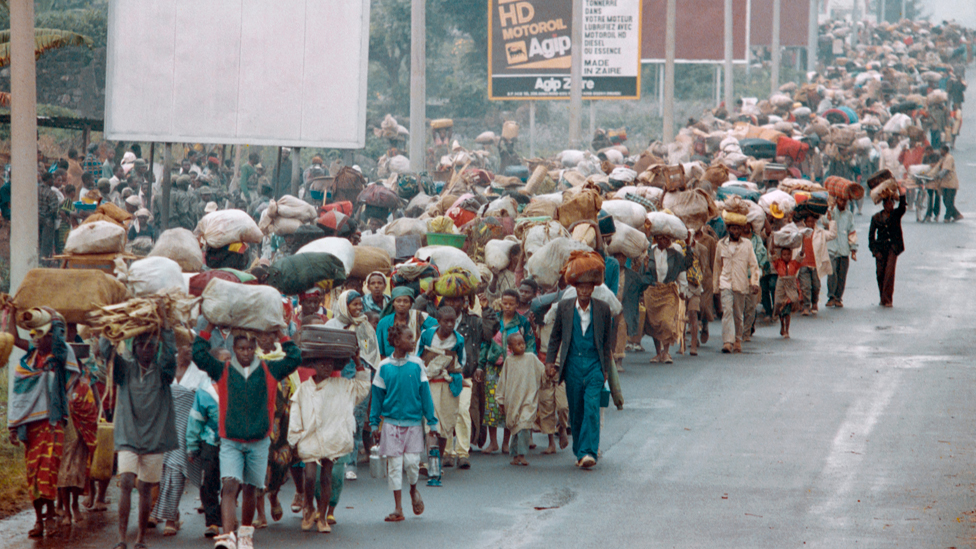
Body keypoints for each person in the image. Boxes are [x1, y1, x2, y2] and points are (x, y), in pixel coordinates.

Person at [192, 326, 301, 549]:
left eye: (250, 348)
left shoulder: (269, 369)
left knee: (251, 488)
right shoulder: (222, 369)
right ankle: (227, 536)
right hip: (231, 441)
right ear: (233, 348)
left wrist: (282, 334)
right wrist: (208, 327)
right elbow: (199, 356)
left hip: (259, 441)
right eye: (241, 348)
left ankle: (244, 534)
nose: (246, 352)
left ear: (256, 349)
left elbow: (295, 358)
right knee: (229, 485)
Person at [101, 328, 179, 549]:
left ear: (157, 349)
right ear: (133, 348)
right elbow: (107, 352)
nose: (146, 349)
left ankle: (141, 538)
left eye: (152, 345)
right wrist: (110, 327)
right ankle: (121, 538)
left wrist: (165, 327)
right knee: (125, 481)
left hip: (155, 438)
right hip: (128, 435)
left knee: (145, 488)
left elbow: (170, 351)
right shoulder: (124, 370)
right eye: (141, 345)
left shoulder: (164, 373)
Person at [7, 307, 79, 538]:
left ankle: (50, 515)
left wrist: (51, 316)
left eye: (41, 334)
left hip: (53, 423)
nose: (36, 339)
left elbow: (59, 337)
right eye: (34, 335)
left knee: (48, 471)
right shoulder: (28, 359)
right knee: (33, 474)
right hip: (30, 426)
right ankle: (39, 519)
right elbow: (13, 338)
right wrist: (11, 311)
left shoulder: (59, 354)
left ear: (51, 334)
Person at [288, 351, 370, 533]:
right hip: (309, 438)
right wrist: (295, 438)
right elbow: (295, 413)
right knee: (309, 477)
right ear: (314, 365)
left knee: (327, 477)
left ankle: (323, 516)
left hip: (332, 438)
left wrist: (357, 361)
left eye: (330, 364)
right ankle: (309, 507)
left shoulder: (342, 385)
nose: (326, 367)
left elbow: (363, 387)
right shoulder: (304, 388)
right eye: (322, 363)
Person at [545, 251, 613, 469]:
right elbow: (555, 337)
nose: (584, 291)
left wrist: (605, 370)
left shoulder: (602, 309)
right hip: (572, 364)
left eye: (588, 287)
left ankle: (588, 452)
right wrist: (549, 362)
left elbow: (606, 342)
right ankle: (579, 451)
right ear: (575, 287)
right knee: (576, 410)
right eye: (580, 287)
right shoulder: (564, 308)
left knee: (592, 406)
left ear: (593, 288)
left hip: (594, 365)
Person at [370, 323, 439, 523]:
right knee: (394, 466)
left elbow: (425, 395)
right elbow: (377, 398)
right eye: (409, 338)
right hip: (391, 424)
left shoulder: (417, 365)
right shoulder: (383, 367)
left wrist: (432, 423)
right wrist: (374, 424)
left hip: (413, 424)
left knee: (411, 464)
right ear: (397, 342)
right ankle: (398, 507)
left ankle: (413, 490)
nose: (413, 341)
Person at [151, 346, 207, 537]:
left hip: (187, 428)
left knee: (176, 471)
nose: (190, 350)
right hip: (164, 425)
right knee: (163, 471)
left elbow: (202, 404)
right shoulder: (166, 366)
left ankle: (168, 519)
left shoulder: (200, 373)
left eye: (193, 345)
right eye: (186, 345)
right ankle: (171, 514)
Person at [325, 290, 381, 480]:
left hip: (360, 376)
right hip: (337, 376)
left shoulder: (365, 326)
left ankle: (351, 464)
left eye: (360, 304)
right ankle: (334, 460)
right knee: (337, 418)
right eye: (354, 304)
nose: (358, 308)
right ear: (344, 305)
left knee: (356, 420)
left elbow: (372, 354)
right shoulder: (331, 326)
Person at [440, 292, 492, 470]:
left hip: (465, 375)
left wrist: (486, 309)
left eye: (457, 299)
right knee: (446, 413)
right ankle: (446, 452)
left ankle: (462, 453)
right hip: (442, 375)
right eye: (449, 298)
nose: (453, 303)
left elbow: (489, 334)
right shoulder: (437, 320)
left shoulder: (473, 321)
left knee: (463, 411)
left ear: (464, 302)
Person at [480, 289, 535, 454]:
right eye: (505, 303)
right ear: (501, 302)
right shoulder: (494, 319)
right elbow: (485, 343)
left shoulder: (523, 323)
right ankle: (493, 442)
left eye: (512, 304)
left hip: (513, 368)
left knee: (509, 403)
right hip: (493, 367)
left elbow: (530, 344)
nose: (508, 306)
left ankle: (506, 442)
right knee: (491, 403)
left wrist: (529, 364)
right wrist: (480, 365)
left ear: (517, 304)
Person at [415, 306, 465, 477]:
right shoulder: (427, 335)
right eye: (446, 321)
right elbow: (417, 356)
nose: (450, 325)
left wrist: (450, 369)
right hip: (430, 384)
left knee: (446, 424)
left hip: (448, 385)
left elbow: (461, 361)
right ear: (438, 321)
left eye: (453, 321)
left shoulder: (458, 339)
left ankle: (439, 459)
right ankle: (431, 462)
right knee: (431, 424)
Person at [712, 215, 761, 354]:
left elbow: (754, 265)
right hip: (725, 282)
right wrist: (715, 286)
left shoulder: (747, 244)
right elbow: (717, 266)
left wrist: (755, 282)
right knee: (727, 311)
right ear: (728, 229)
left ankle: (737, 339)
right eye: (733, 228)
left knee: (738, 315)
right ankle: (727, 341)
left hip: (741, 283)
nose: (736, 231)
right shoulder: (721, 244)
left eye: (738, 228)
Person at [495, 332, 545, 467]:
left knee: (524, 425)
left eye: (523, 343)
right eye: (518, 344)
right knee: (516, 428)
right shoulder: (508, 361)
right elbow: (502, 382)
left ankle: (522, 455)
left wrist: (550, 374)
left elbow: (543, 372)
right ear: (510, 348)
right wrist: (500, 400)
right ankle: (515, 455)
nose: (522, 346)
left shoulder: (531, 358)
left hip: (528, 399)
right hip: (513, 400)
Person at [868, 194, 907, 308]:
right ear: (884, 205)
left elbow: (902, 208)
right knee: (880, 273)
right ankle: (882, 297)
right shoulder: (876, 218)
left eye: (892, 203)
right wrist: (875, 251)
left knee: (889, 273)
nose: (890, 205)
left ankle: (887, 299)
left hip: (893, 248)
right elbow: (871, 237)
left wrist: (902, 195)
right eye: (888, 203)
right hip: (880, 248)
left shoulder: (895, 215)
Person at [794, 212, 837, 316]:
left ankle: (814, 303)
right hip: (803, 263)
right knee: (805, 286)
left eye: (812, 221)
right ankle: (806, 306)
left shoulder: (821, 233)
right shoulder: (800, 233)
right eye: (808, 221)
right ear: (804, 222)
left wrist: (831, 221)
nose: (810, 223)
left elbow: (832, 235)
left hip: (815, 265)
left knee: (816, 286)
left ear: (815, 221)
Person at [375, 287, 437, 358]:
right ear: (393, 303)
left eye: (406, 301)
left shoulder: (419, 317)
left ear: (411, 304)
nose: (402, 304)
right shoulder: (383, 323)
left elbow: (438, 326)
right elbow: (379, 350)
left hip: (415, 360)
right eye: (398, 301)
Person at [825, 197, 857, 308]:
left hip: (844, 250)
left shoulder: (849, 215)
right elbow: (824, 222)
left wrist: (853, 249)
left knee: (842, 275)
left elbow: (851, 231)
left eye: (845, 201)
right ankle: (831, 297)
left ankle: (838, 297)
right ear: (836, 200)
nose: (842, 203)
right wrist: (830, 211)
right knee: (832, 273)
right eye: (840, 200)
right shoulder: (831, 211)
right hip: (832, 248)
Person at [772, 247, 801, 338]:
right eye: (784, 255)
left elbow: (801, 255)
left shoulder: (794, 263)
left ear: (791, 255)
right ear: (781, 255)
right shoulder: (778, 263)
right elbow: (772, 252)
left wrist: (803, 241)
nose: (786, 256)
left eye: (788, 254)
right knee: (780, 308)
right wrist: (773, 240)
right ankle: (782, 326)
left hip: (791, 286)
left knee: (787, 311)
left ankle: (787, 330)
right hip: (781, 286)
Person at [932, 145, 962, 222]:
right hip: (945, 183)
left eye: (941, 150)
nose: (940, 152)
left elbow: (945, 170)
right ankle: (957, 215)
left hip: (951, 183)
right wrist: (930, 174)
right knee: (946, 201)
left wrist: (938, 176)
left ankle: (947, 217)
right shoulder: (943, 158)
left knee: (949, 201)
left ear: (945, 150)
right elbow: (936, 168)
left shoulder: (949, 158)